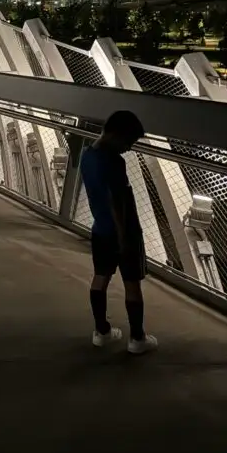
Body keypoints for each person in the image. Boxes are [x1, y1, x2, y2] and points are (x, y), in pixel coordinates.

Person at [80, 110, 157, 355]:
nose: (129, 148)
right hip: (124, 232)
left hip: (100, 228)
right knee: (132, 284)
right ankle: (137, 338)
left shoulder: (87, 155)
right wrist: (124, 237)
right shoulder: (114, 161)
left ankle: (101, 332)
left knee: (100, 278)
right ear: (115, 135)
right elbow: (117, 199)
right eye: (128, 142)